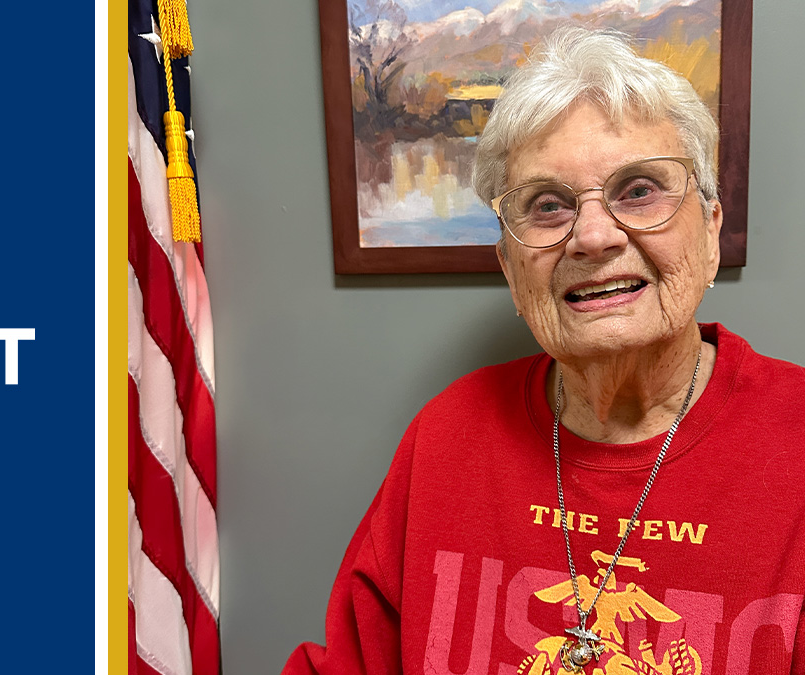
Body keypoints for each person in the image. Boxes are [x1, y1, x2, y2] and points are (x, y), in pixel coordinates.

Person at [283, 26, 805, 674]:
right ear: (510, 267)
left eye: (640, 190)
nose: (593, 236)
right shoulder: (447, 438)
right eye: (548, 205)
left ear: (710, 232)